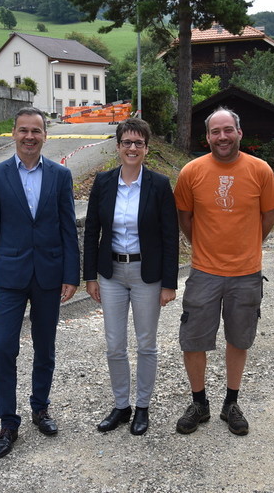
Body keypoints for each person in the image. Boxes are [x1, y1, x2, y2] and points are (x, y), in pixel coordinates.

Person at [172, 107, 274, 436]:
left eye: (227, 130)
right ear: (206, 137)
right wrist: (205, 250)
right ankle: (199, 403)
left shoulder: (260, 170)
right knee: (193, 341)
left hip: (246, 274)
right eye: (215, 132)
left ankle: (231, 403)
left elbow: (268, 218)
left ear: (239, 133)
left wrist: (248, 247)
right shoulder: (191, 172)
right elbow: (185, 219)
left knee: (239, 339)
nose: (222, 137)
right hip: (204, 272)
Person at [0, 107, 80, 458]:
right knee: (4, 347)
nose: (29, 137)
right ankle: (8, 422)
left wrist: (72, 274)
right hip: (8, 276)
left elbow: (69, 227)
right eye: (23, 130)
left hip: (50, 275)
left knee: (45, 346)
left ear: (45, 136)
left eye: (36, 131)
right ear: (13, 133)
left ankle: (40, 408)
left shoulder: (59, 175)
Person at [83, 118, 179, 436]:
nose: (132, 148)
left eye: (138, 143)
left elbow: (170, 237)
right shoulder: (104, 182)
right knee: (114, 345)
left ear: (146, 149)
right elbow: (92, 231)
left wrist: (169, 283)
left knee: (146, 344)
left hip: (145, 275)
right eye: (127, 142)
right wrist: (90, 277)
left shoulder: (159, 185)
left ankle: (142, 407)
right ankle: (121, 406)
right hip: (111, 273)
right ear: (118, 146)